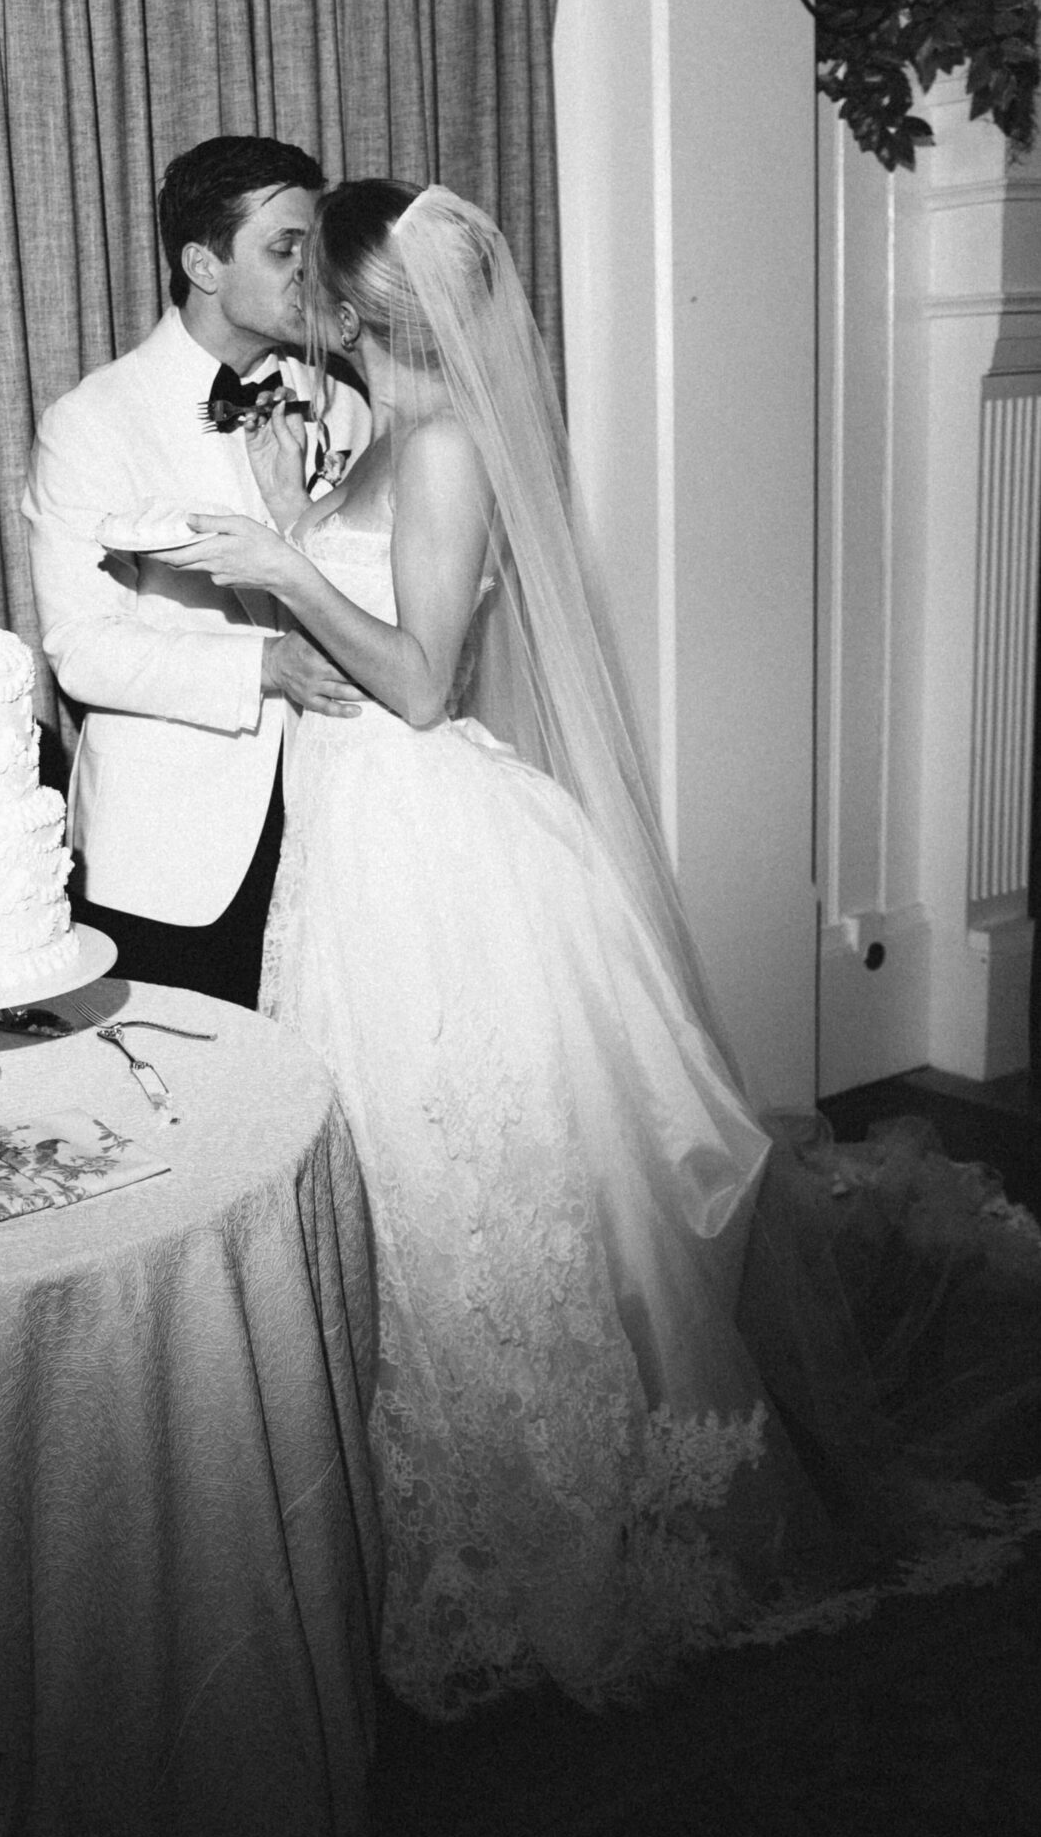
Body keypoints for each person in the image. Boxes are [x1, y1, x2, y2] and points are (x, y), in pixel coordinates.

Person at [158, 180, 1041, 1716]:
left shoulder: (443, 452)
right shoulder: (377, 431)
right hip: (356, 851)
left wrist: (285, 572)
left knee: (473, 1178)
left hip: (422, 848)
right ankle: (442, 1487)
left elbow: (423, 687)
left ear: (376, 306)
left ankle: (552, 1510)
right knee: (416, 1182)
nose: (300, 292)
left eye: (321, 273)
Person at [23, 136, 369, 1006]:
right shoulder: (93, 421)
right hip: (176, 850)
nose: (312, 271)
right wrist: (266, 665)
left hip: (347, 822)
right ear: (201, 264)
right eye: (284, 248)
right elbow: (82, 651)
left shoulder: (348, 405)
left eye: (316, 246)